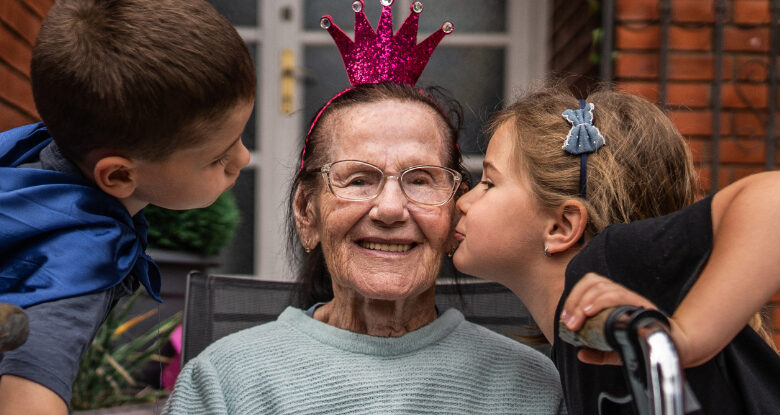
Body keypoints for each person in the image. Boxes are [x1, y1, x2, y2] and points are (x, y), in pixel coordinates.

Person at [164, 2, 566, 414]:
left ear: (454, 213)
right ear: (307, 212)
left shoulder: (531, 385)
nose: (390, 209)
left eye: (420, 180)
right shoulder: (226, 380)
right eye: (358, 180)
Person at [452, 82, 780, 414]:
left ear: (561, 227)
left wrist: (688, 337)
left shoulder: (606, 265)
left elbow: (773, 200)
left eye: (489, 184)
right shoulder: (574, 341)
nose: (463, 202)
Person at [0, 0, 255, 413]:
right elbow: (26, 399)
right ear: (118, 177)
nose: (242, 160)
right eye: (217, 158)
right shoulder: (77, 261)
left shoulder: (36, 149)